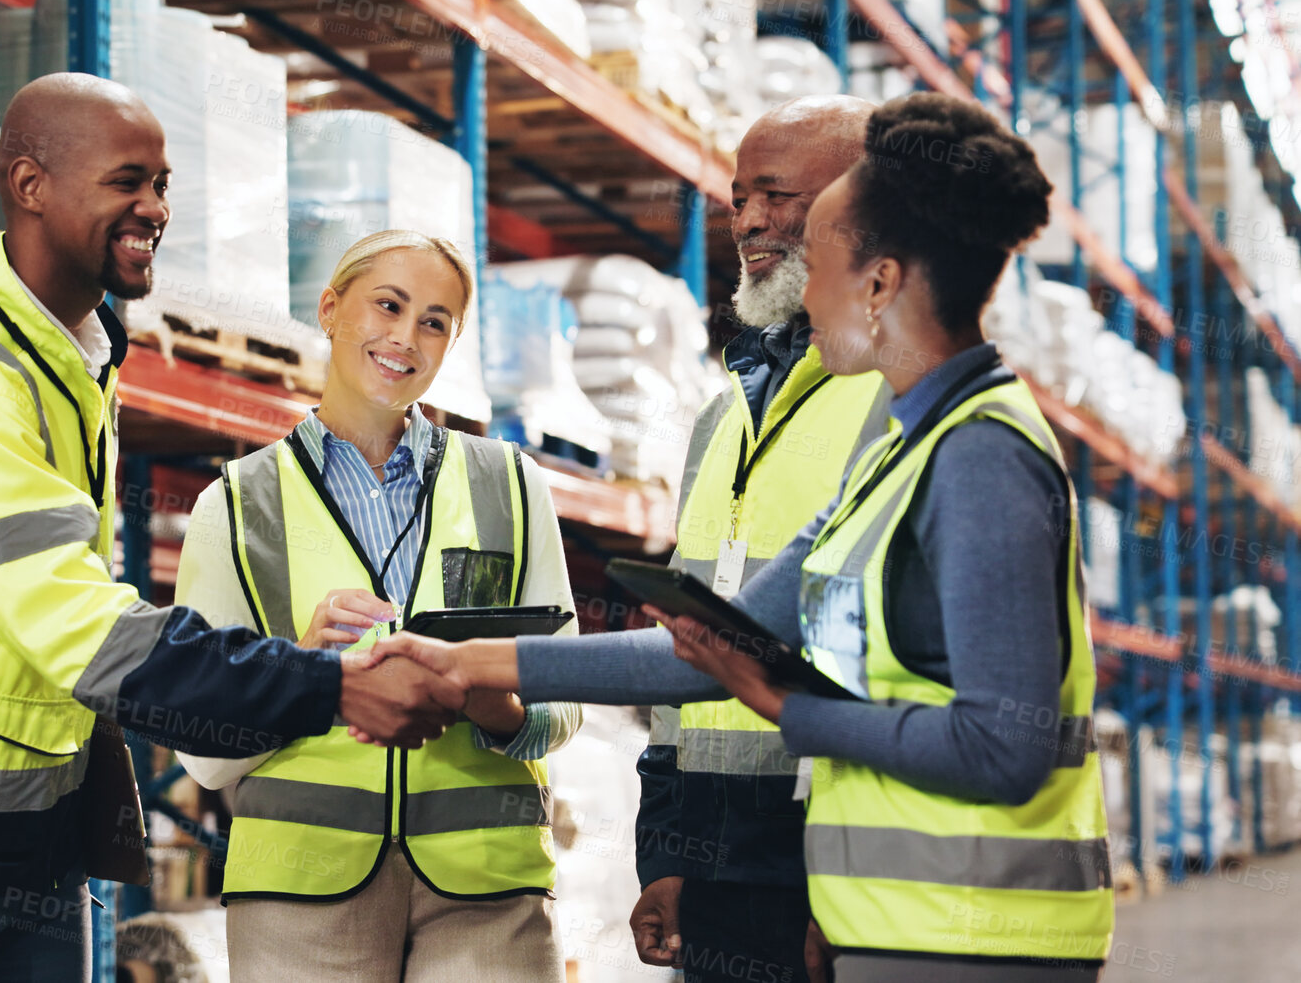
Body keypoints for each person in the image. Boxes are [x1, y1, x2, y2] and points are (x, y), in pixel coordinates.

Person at [368, 94, 1113, 981]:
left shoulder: (979, 453)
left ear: (877, 282)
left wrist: (789, 710)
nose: (792, 284)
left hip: (978, 937)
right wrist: (463, 661)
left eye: (825, 262)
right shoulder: (898, 454)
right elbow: (705, 648)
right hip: (892, 922)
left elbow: (1005, 746)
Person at [0, 75, 466, 983]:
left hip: (21, 825)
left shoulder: (71, 350)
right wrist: (324, 683)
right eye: (126, 181)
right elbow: (88, 629)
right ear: (29, 186)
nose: (155, 208)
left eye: (163, 184)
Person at [171, 230, 583, 983]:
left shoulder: (509, 485)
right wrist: (300, 670)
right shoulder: (233, 504)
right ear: (330, 310)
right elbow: (202, 751)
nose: (404, 337)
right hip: (300, 886)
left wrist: (502, 709)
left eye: (433, 321)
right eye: (386, 305)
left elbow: (567, 700)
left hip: (486, 886)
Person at [632, 95, 891, 983]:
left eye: (774, 195)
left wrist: (849, 881)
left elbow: (889, 665)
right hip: (711, 863)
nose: (745, 221)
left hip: (819, 861)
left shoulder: (900, 402)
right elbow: (684, 650)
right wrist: (662, 852)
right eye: (738, 196)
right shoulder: (726, 412)